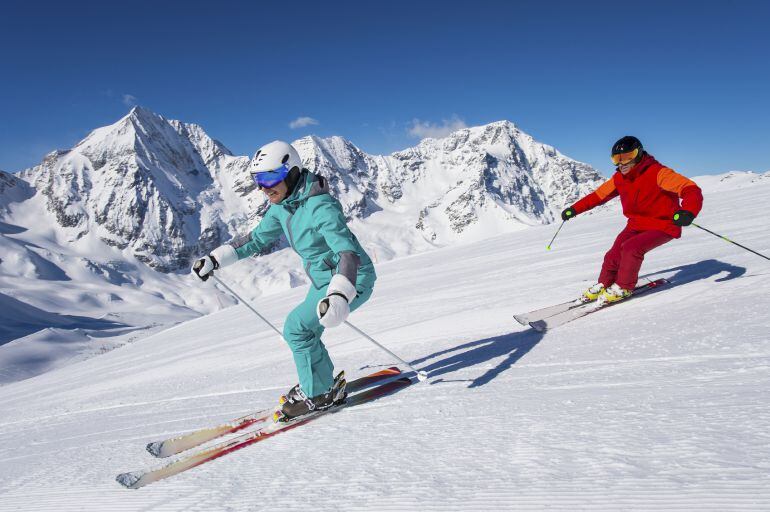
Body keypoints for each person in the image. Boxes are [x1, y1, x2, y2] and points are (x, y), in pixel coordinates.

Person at [192, 140, 376, 421]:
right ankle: (321, 385)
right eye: (257, 180)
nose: (263, 188)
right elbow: (256, 239)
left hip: (351, 277)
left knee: (298, 329)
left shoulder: (320, 207)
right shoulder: (283, 206)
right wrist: (216, 259)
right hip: (324, 281)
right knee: (301, 330)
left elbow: (346, 252)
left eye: (269, 178)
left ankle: (319, 392)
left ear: (291, 172)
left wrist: (340, 294)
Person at [561, 136, 703, 306]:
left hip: (663, 225)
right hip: (636, 224)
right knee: (613, 254)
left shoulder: (659, 173)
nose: (623, 163)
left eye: (628, 157)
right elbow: (598, 196)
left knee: (631, 248)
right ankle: (604, 284)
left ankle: (623, 287)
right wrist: (574, 209)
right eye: (617, 159)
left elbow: (690, 189)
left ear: (639, 154)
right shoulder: (620, 178)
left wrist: (689, 211)